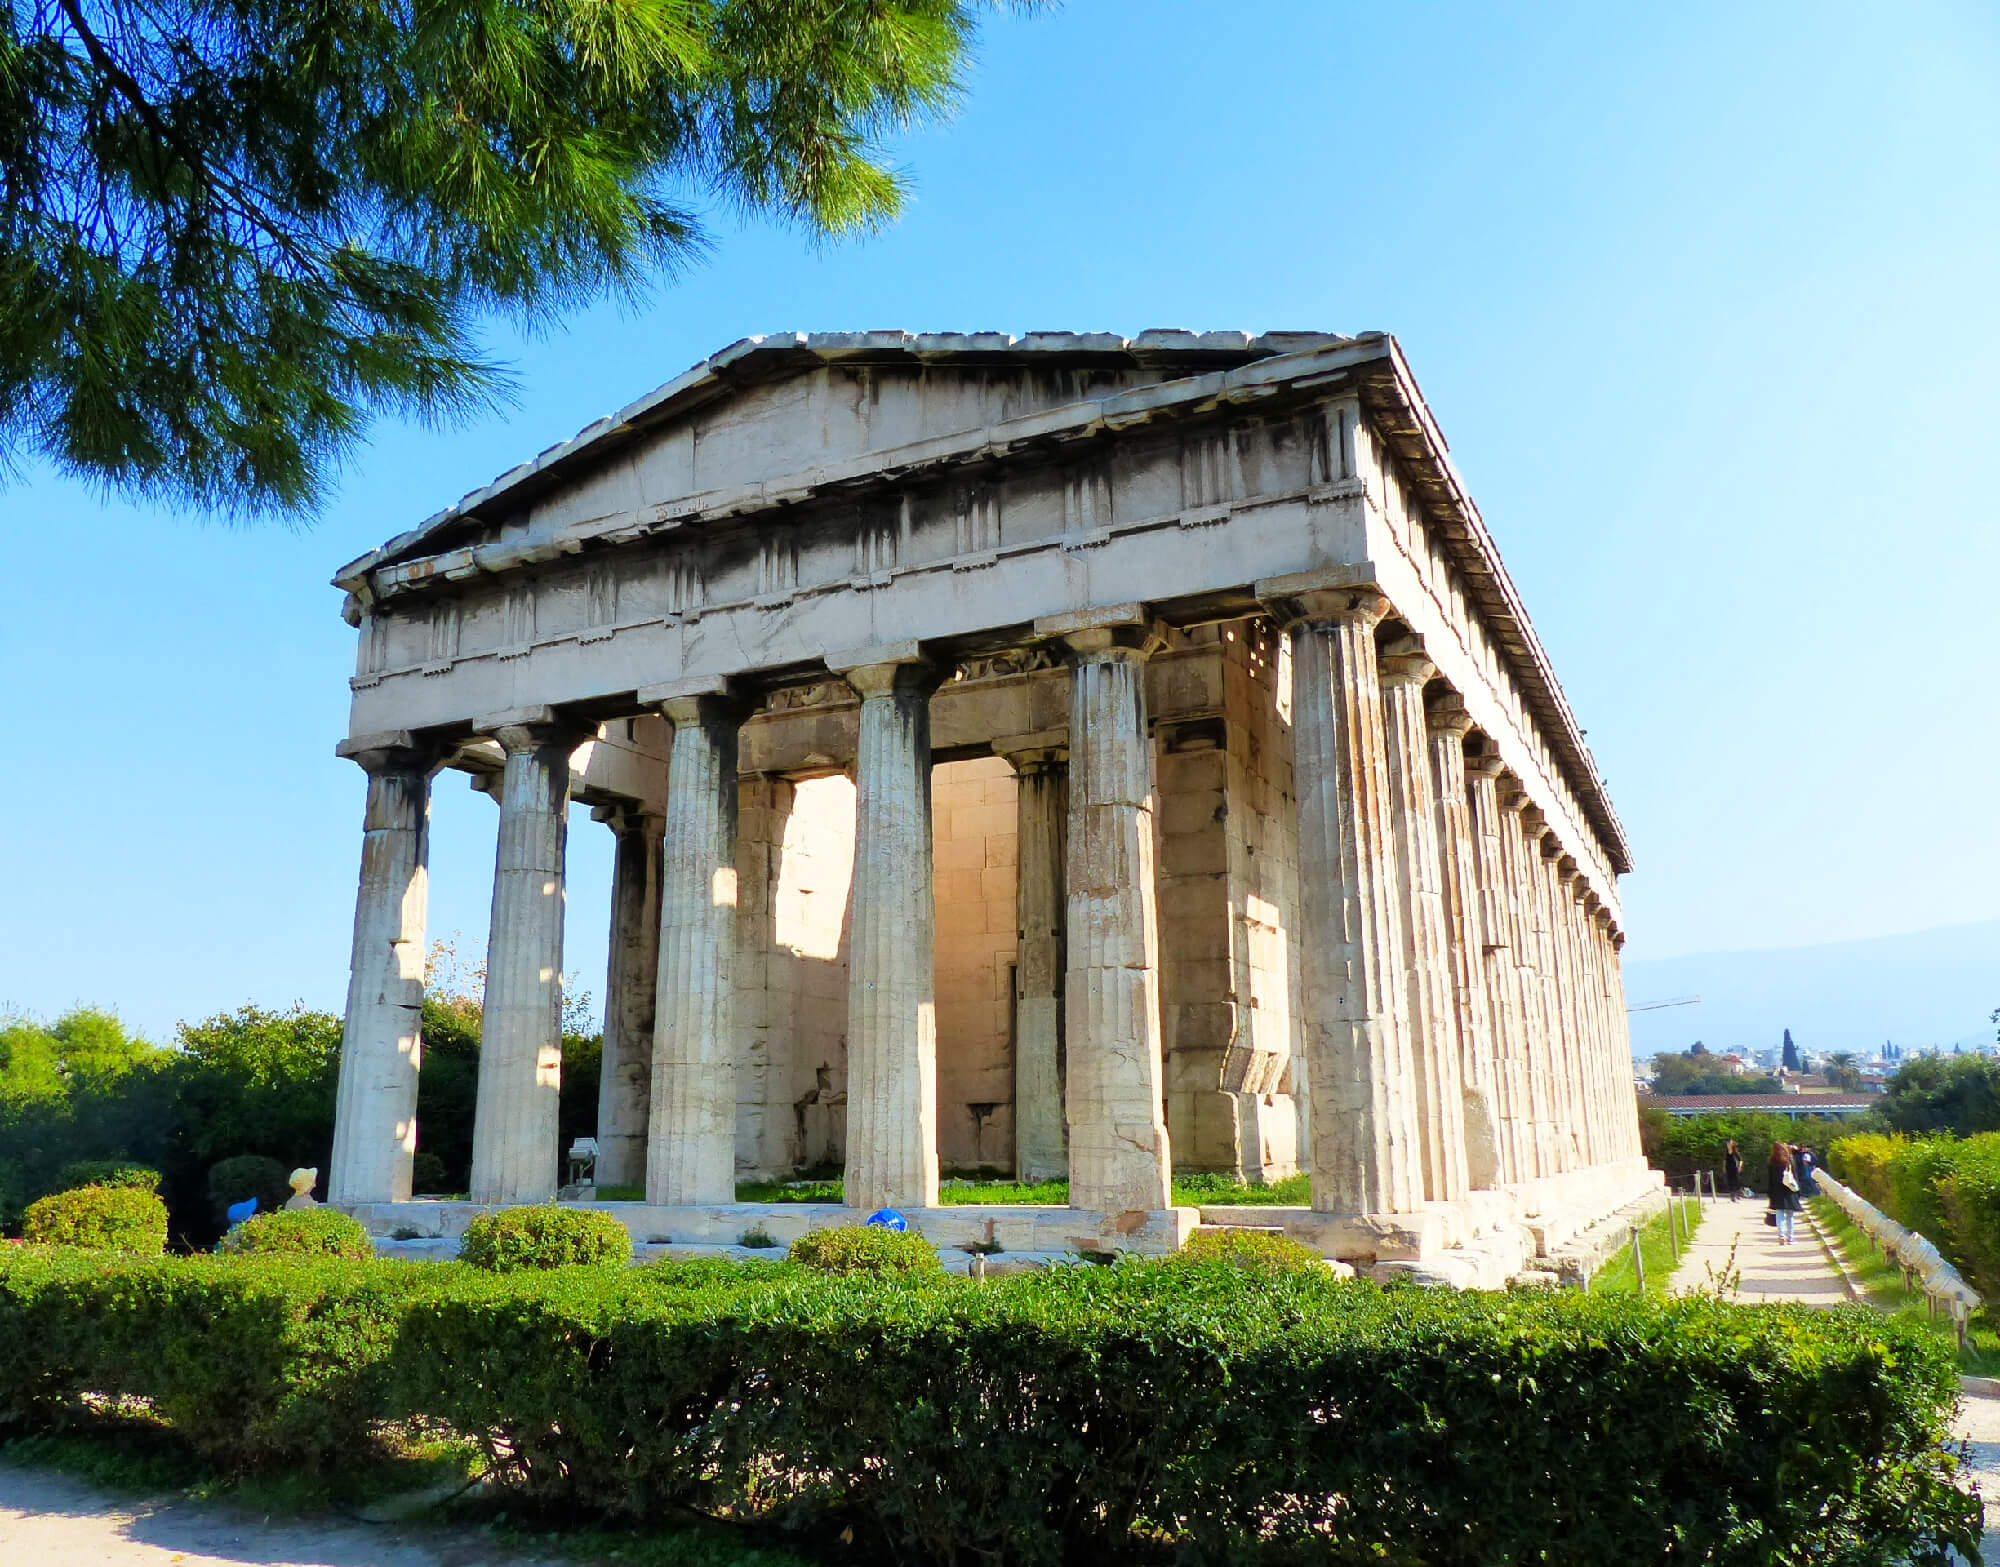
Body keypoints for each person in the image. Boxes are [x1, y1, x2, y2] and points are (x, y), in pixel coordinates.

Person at [1767, 1142, 1801, 1244]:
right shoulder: (1789, 1160)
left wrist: (1770, 1193)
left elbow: (1770, 1179)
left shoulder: (1771, 1162)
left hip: (1777, 1190)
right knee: (1790, 1215)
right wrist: (1798, 1190)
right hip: (1789, 1190)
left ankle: (1781, 1236)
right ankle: (1790, 1238)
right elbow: (1795, 1176)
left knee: (1779, 1214)